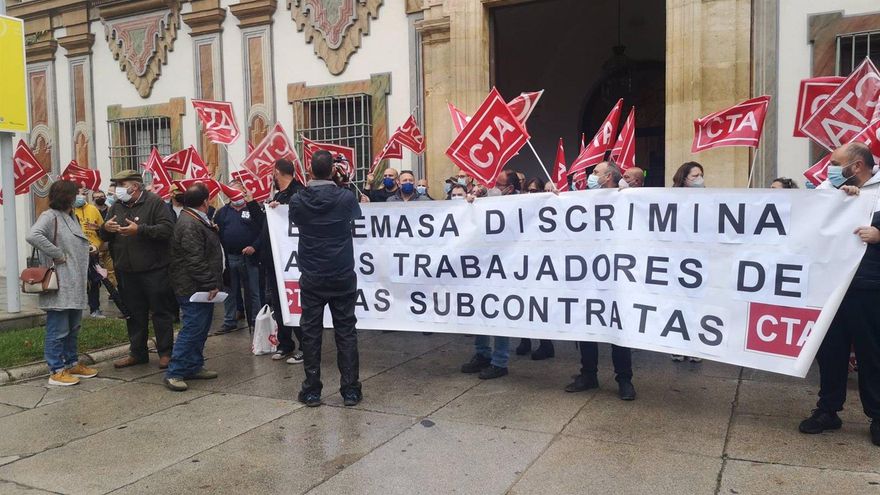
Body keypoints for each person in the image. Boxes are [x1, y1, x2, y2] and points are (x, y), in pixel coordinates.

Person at [800, 142, 880, 447]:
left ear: (857, 165)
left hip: (868, 288)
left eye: (836, 163)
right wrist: (836, 197)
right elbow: (809, 218)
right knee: (830, 352)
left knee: (871, 352)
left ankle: (877, 415)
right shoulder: (831, 186)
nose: (830, 169)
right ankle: (828, 409)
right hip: (831, 287)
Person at [290, 150, 363, 407]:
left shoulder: (299, 200)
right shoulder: (345, 197)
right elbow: (356, 215)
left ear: (310, 171)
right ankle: (350, 390)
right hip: (341, 273)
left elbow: (295, 219)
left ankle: (312, 390)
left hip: (312, 275)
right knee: (346, 332)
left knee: (311, 333)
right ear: (333, 170)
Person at [565, 161, 636, 400]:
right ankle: (588, 374)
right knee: (587, 327)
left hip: (617, 276)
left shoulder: (625, 198)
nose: (590, 176)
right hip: (587, 274)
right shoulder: (583, 199)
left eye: (595, 173)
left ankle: (624, 379)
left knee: (618, 328)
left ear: (608, 177)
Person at [99, 170, 176, 369]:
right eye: (116, 185)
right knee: (134, 313)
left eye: (121, 184)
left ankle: (166, 353)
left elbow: (167, 230)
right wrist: (105, 228)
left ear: (134, 186)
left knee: (160, 312)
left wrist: (140, 230)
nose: (117, 189)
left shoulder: (154, 202)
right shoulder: (116, 205)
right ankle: (137, 352)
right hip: (126, 270)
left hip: (154, 269)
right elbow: (104, 236)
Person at [26, 180, 97, 386]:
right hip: (60, 282)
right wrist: (57, 254)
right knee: (58, 329)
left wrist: (88, 247)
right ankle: (56, 369)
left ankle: (71, 362)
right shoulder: (49, 216)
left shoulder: (70, 216)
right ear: (67, 196)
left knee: (73, 327)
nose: (80, 196)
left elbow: (73, 243)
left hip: (74, 281)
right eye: (77, 193)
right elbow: (32, 235)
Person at [460, 169, 521, 380]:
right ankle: (482, 353)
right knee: (481, 309)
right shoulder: (489, 201)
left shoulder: (520, 206)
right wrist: (471, 202)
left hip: (507, 269)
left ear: (510, 189)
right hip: (484, 266)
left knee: (500, 313)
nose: (494, 187)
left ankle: (500, 361)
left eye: (499, 184)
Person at [163, 183, 223, 391]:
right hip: (192, 286)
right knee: (192, 328)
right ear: (205, 202)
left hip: (198, 285)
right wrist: (209, 283)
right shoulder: (190, 223)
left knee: (201, 328)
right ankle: (175, 372)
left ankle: (194, 366)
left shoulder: (196, 219)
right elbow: (194, 259)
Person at [257, 158, 305, 364]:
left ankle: (305, 346)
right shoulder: (278, 195)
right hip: (275, 261)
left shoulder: (299, 192)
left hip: (293, 263)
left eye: (272, 173)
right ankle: (285, 344)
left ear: (277, 172)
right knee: (278, 303)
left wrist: (284, 207)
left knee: (296, 304)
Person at [515, 177, 556, 361]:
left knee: (539, 306)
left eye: (534, 191)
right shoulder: (521, 208)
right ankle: (525, 341)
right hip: (524, 263)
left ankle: (546, 344)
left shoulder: (549, 209)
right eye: (528, 191)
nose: (531, 194)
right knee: (523, 304)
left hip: (542, 265)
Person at [215, 181, 263, 334]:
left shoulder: (253, 209)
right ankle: (229, 321)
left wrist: (254, 247)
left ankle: (256, 321)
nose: (236, 195)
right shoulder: (222, 212)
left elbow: (263, 231)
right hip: (230, 257)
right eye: (232, 192)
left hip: (250, 258)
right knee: (230, 291)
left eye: (238, 191)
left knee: (254, 291)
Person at [669, 161, 705, 363]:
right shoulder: (671, 199)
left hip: (698, 262)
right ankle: (677, 344)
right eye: (695, 176)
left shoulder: (709, 198)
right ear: (683, 178)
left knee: (696, 305)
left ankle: (694, 346)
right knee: (677, 304)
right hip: (676, 260)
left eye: (701, 175)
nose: (700, 179)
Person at [73, 188, 105, 318]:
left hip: (92, 251)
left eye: (84, 194)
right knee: (77, 281)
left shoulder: (93, 209)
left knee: (94, 281)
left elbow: (102, 230)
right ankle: (76, 310)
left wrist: (97, 244)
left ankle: (95, 308)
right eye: (78, 194)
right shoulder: (69, 211)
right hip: (75, 252)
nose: (81, 196)